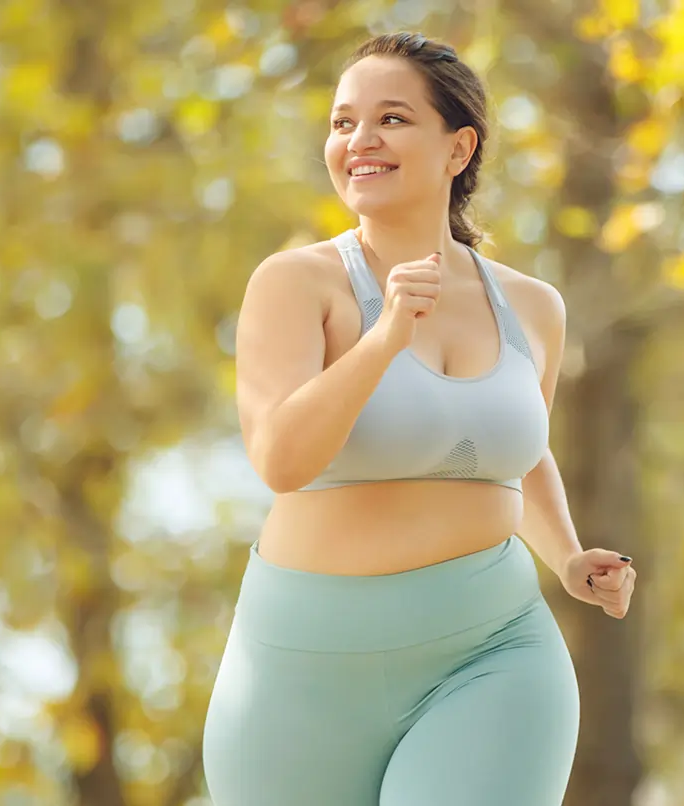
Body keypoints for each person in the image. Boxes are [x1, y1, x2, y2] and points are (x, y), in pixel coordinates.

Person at [202, 31, 637, 806]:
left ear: (458, 147)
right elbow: (281, 460)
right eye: (342, 123)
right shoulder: (296, 284)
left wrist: (566, 557)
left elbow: (513, 452)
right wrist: (385, 337)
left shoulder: (533, 307)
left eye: (392, 119)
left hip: (491, 654)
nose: (359, 141)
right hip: (299, 669)